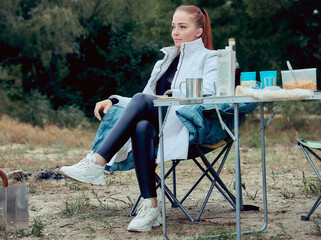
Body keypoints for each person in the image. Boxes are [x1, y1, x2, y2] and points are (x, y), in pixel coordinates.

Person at [59, 5, 217, 232]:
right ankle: (151, 207)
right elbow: (141, 100)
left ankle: (97, 162)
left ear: (199, 31)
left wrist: (169, 96)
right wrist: (113, 100)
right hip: (159, 121)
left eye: (183, 27)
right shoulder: (164, 61)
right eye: (174, 27)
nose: (176, 32)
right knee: (141, 125)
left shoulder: (209, 58)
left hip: (183, 121)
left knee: (143, 112)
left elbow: (209, 92)